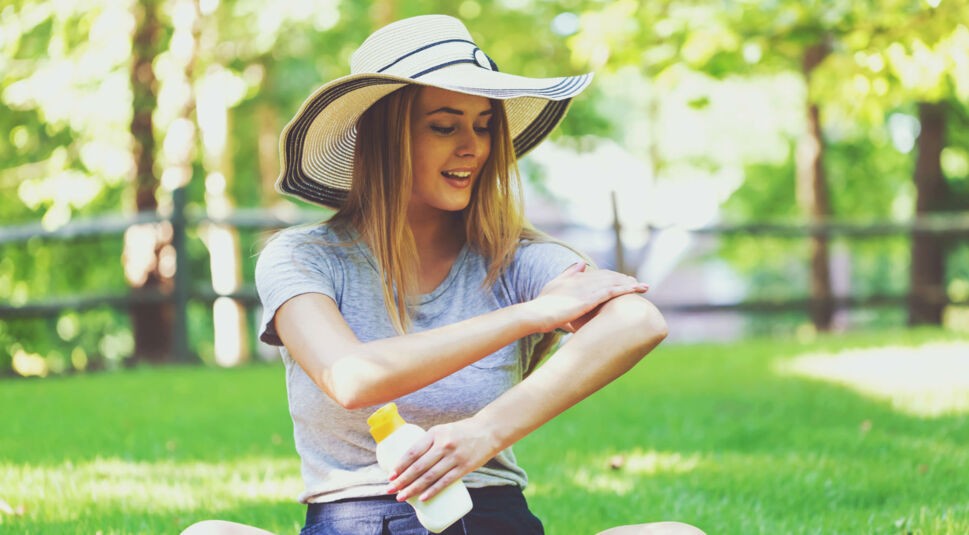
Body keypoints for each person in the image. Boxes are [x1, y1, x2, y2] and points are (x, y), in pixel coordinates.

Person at [182, 14, 704, 535]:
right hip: (359, 521)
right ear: (384, 136)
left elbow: (637, 321)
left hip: (491, 520)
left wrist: (483, 434)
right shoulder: (302, 256)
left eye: (483, 125)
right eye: (444, 125)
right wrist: (531, 316)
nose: (472, 147)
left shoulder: (512, 257)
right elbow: (352, 377)